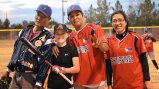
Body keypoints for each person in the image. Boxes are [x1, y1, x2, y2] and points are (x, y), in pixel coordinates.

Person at [53, 4, 109, 89]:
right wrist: (53, 45)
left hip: (96, 81)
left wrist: (100, 45)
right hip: (78, 81)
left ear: (83, 15)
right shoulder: (71, 36)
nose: (75, 18)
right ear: (69, 19)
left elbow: (106, 48)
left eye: (77, 14)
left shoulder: (94, 29)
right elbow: (58, 41)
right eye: (71, 16)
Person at [1, 4, 52, 89]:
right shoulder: (24, 31)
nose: (39, 17)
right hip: (16, 74)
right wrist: (8, 71)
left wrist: (39, 83)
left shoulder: (47, 36)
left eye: (43, 16)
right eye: (38, 14)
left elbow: (45, 62)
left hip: (31, 76)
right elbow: (16, 52)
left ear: (49, 19)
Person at [106, 10, 153, 89]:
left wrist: (147, 80)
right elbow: (108, 64)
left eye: (120, 20)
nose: (117, 23)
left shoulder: (135, 38)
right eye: (114, 21)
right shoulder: (108, 41)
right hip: (118, 85)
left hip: (137, 85)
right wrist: (109, 82)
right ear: (111, 24)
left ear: (125, 22)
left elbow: (143, 60)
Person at [47, 24, 80, 89]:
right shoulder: (51, 48)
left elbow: (77, 68)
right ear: (54, 35)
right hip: (51, 86)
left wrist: (62, 69)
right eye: (57, 34)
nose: (60, 36)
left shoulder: (72, 49)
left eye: (62, 33)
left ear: (67, 34)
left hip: (66, 86)